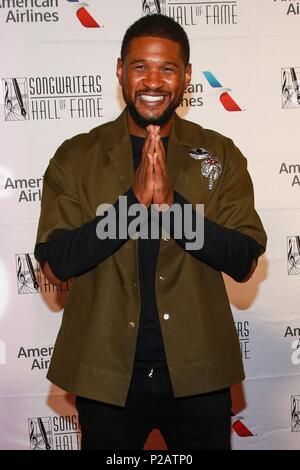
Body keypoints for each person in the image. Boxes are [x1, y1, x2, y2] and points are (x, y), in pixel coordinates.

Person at [35, 14, 267, 450]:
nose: (153, 81)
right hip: (105, 376)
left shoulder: (217, 154)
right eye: (140, 67)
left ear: (187, 77)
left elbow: (242, 260)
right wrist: (131, 204)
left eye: (167, 68)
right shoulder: (75, 156)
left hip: (200, 374)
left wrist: (172, 208)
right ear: (121, 71)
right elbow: (58, 261)